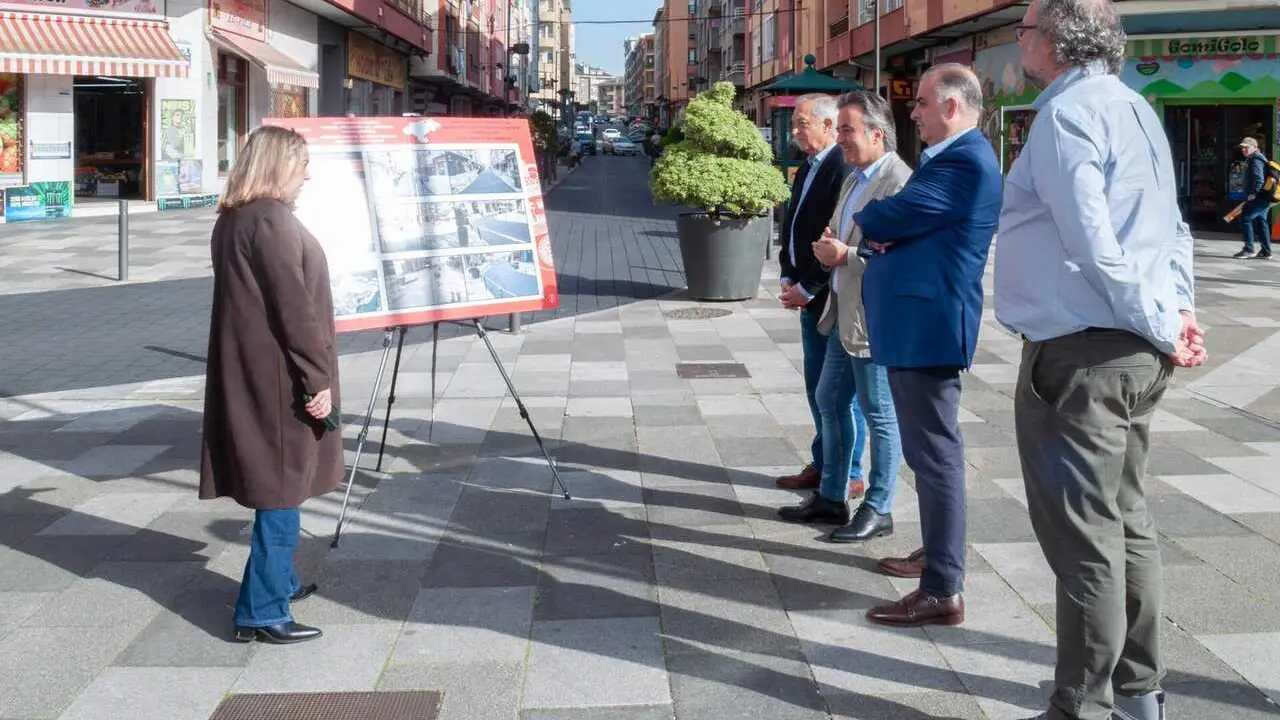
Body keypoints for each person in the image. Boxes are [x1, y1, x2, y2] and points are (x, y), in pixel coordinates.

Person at [994, 1, 1207, 718]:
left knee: (1084, 539)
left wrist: (1161, 318)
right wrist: (1177, 317)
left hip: (1084, 353)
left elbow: (1094, 243)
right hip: (1132, 346)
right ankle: (1139, 697)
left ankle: (1082, 705)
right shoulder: (1136, 108)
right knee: (1127, 519)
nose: (1017, 41)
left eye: (1022, 29)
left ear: (1051, 41)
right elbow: (1171, 227)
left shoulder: (1064, 115)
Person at [854, 63, 1003, 627]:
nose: (909, 112)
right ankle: (938, 553)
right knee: (927, 453)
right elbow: (900, 225)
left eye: (918, 103)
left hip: (930, 328)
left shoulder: (964, 162)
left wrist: (876, 221)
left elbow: (887, 216)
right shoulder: (950, 160)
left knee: (935, 456)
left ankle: (944, 588)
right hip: (917, 325)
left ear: (952, 107)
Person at [199, 125, 344, 645]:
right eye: (301, 162)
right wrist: (317, 377)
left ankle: (278, 582)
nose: (307, 173)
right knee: (282, 491)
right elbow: (295, 309)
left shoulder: (235, 219)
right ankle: (262, 610)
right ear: (279, 164)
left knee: (278, 482)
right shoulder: (272, 221)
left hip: (251, 371)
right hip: (279, 377)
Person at [809, 90, 909, 544]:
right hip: (841, 313)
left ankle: (879, 505)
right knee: (829, 398)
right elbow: (846, 231)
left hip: (873, 321)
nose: (841, 139)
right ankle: (832, 493)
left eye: (848, 130)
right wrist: (833, 243)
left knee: (879, 412)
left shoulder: (898, 182)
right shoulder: (853, 177)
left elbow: (899, 258)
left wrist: (844, 253)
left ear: (876, 132)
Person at [774, 93, 863, 525]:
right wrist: (787, 273)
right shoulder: (808, 166)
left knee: (838, 394)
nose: (795, 131)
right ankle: (823, 461)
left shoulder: (840, 168)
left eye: (802, 123)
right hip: (806, 292)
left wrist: (808, 286)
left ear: (828, 126)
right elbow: (794, 224)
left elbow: (835, 234)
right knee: (817, 388)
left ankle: (851, 472)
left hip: (830, 297)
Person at [1235, 136, 1272, 259]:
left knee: (1245, 218)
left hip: (1258, 197)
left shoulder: (1256, 160)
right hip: (1265, 197)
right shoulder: (1260, 159)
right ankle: (1266, 251)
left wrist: (1253, 193)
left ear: (1255, 147)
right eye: (1243, 148)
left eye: (1247, 147)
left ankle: (1249, 249)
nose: (1244, 150)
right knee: (1262, 222)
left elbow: (1259, 179)